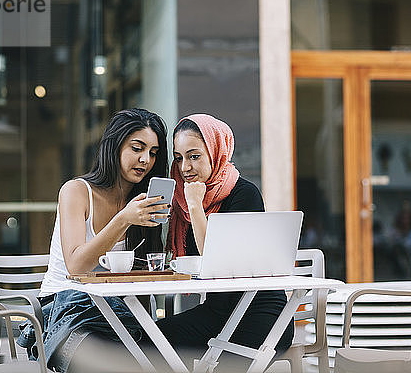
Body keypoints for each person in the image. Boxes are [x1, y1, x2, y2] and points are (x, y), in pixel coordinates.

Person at [17, 108, 169, 373]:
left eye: (153, 153)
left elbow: (144, 280)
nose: (145, 159)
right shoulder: (76, 192)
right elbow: (77, 266)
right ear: (114, 146)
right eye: (137, 148)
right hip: (63, 312)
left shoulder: (143, 203)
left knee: (159, 356)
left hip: (117, 314)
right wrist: (123, 219)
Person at [155, 114, 294, 368]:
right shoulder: (184, 202)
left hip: (261, 313)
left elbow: (216, 264)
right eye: (179, 158)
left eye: (194, 156)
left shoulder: (244, 194)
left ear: (217, 152)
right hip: (219, 312)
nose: (184, 167)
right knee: (150, 341)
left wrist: (196, 206)